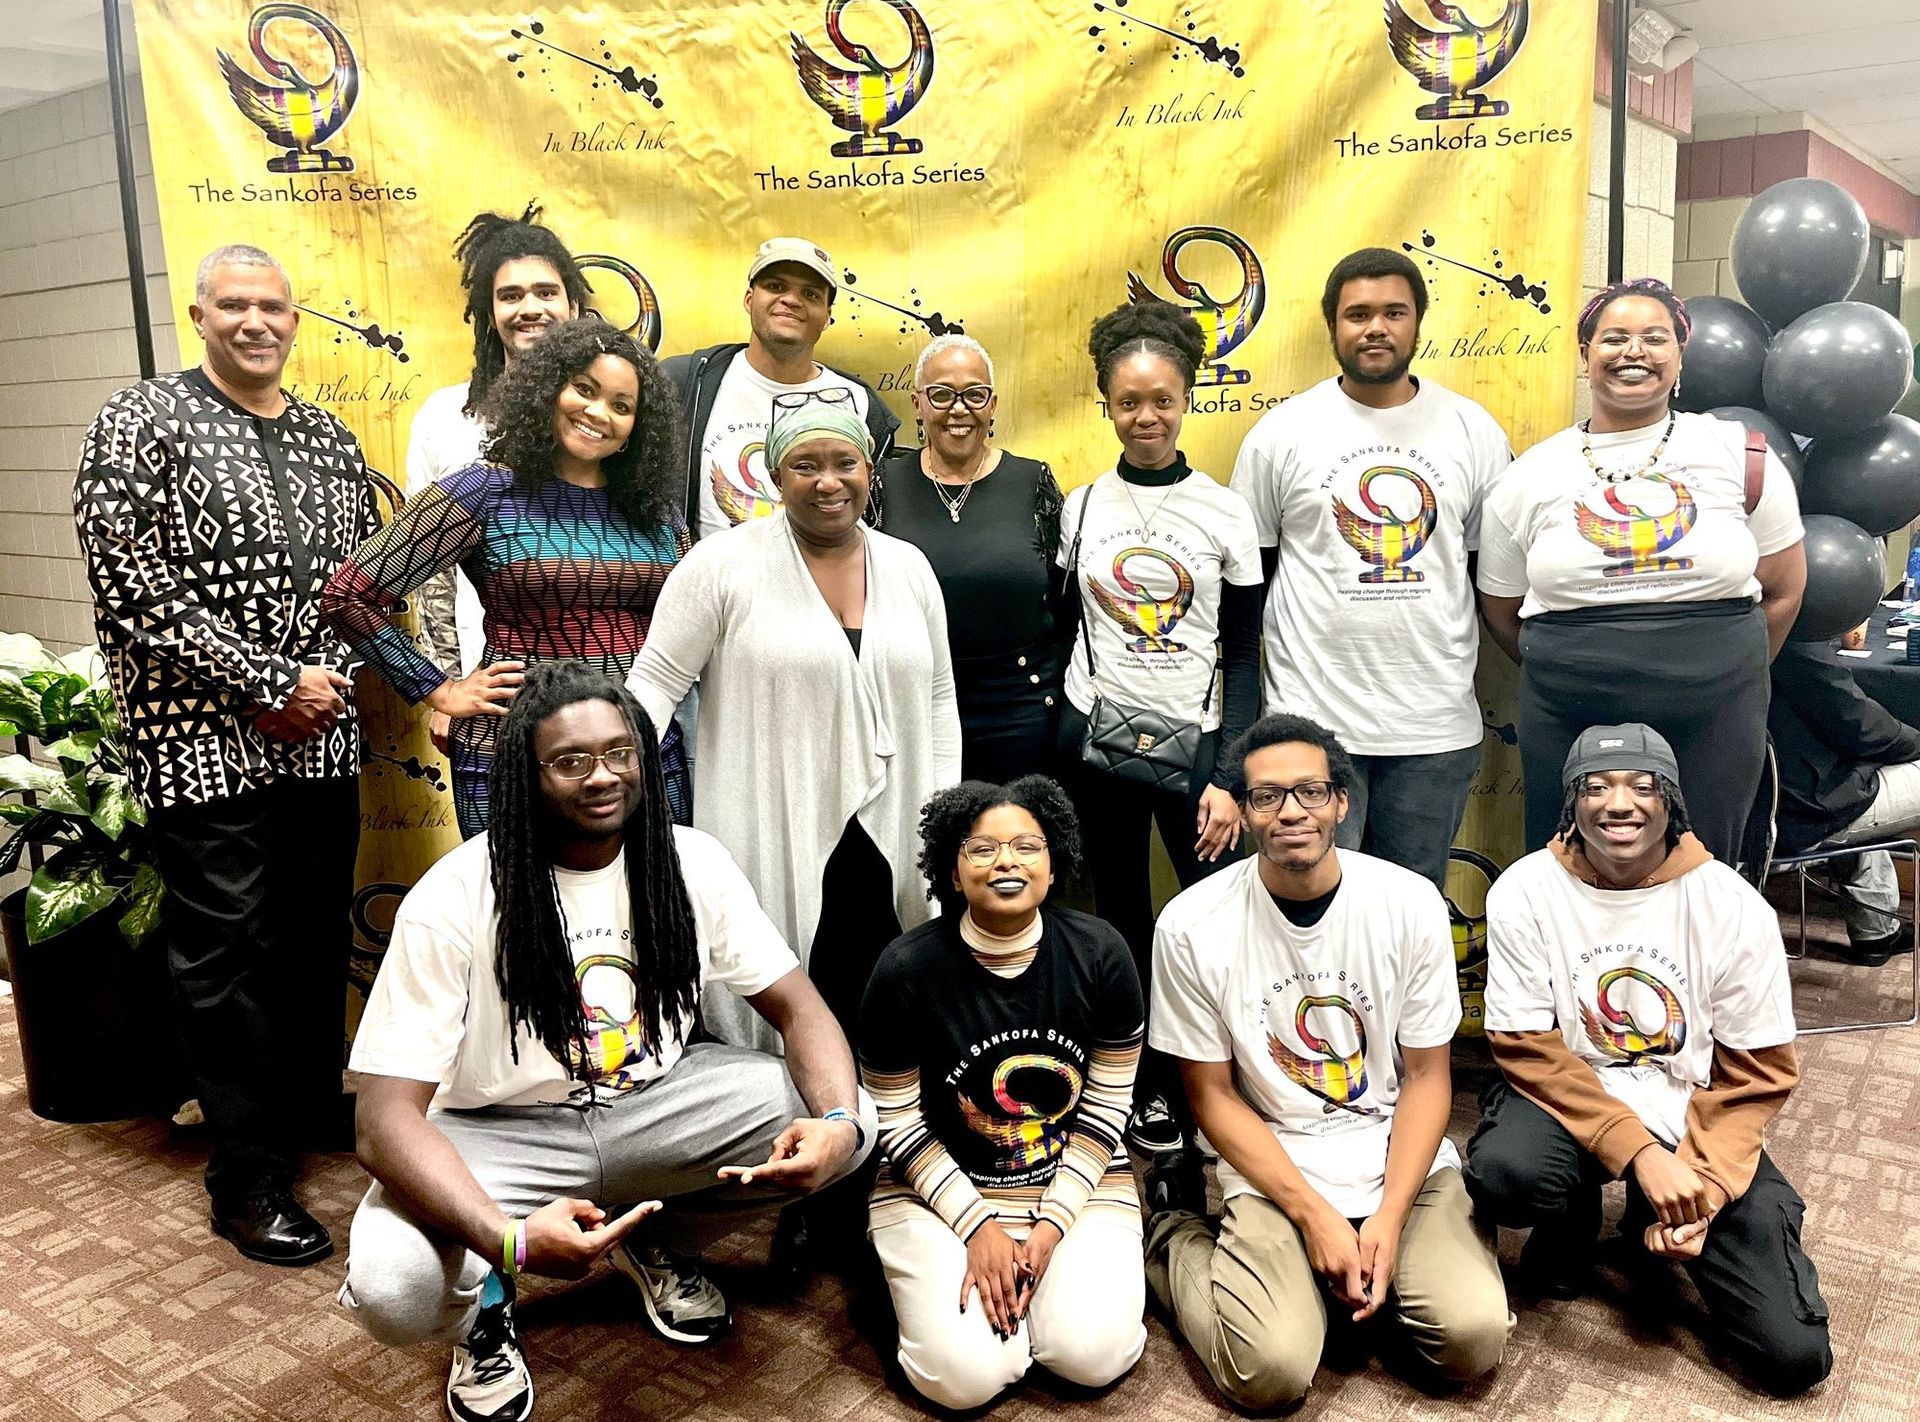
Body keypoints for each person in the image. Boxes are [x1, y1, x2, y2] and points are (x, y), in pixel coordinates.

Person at [339, 663, 875, 1422]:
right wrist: (510, 1243)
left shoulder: (689, 861)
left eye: (620, 753)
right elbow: (382, 1119)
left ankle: (649, 1232)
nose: (603, 777)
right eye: (570, 761)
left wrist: (836, 1125)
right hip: (500, 1132)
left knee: (850, 1122)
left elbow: (800, 1008)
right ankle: (485, 1305)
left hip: (653, 1104)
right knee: (394, 1289)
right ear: (526, 776)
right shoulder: (456, 894)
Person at [72, 243, 381, 1265]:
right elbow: (127, 582)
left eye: (274, 307)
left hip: (321, 736)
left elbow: (359, 588)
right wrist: (265, 683)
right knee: (225, 955)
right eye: (234, 306)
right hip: (200, 740)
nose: (257, 322)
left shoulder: (333, 442)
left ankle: (298, 1112)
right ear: (198, 315)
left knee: (303, 942)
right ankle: (247, 1177)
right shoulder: (140, 422)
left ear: (296, 322)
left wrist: (319, 681)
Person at [1144, 713, 1508, 1411]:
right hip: (1276, 1161)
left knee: (1471, 1340)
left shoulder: (1410, 904)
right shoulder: (1191, 925)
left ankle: (1352, 1285)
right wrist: (1314, 1215)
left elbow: (1430, 1077)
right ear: (1246, 814)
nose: (1291, 812)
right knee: (1269, 1374)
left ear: (1342, 801)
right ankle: (1171, 1234)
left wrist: (1390, 1218)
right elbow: (1212, 1096)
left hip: (1394, 1155)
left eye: (1310, 792)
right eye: (1267, 797)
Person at [1464, 723, 1832, 1398]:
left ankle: (1654, 1219)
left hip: (1690, 1108)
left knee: (1794, 1357)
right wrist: (1639, 1153)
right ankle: (1568, 1226)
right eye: (1595, 787)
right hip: (1569, 1099)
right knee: (1505, 1171)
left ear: (1672, 803)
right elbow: (1524, 1045)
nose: (1618, 803)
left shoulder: (1729, 905)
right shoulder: (1525, 889)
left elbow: (1758, 1074)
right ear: (1571, 804)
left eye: (1642, 785)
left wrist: (1707, 1188)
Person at [626, 392, 960, 1053]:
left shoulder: (910, 568)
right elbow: (656, 685)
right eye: (806, 465)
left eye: (846, 463)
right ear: (775, 477)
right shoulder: (721, 566)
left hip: (897, 827)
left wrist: (941, 812)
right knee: (790, 979)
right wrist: (614, 782)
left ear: (870, 471)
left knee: (887, 989)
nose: (829, 482)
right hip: (774, 820)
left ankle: (882, 1125)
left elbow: (940, 698)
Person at [1476, 277, 1808, 863]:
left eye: (1655, 338)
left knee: (1704, 869)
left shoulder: (1738, 452)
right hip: (1569, 705)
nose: (1634, 351)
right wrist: (1581, 660)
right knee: (1571, 865)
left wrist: (1727, 666)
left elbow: (1783, 591)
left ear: (1680, 355)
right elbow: (1501, 610)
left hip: (1716, 704)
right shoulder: (1529, 474)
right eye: (1614, 338)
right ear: (1585, 358)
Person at [322, 317, 690, 837]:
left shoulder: (656, 512)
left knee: (653, 902)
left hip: (638, 748)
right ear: (548, 389)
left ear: (638, 428)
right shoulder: (482, 491)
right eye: (583, 389)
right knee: (515, 909)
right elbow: (348, 596)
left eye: (621, 405)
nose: (597, 412)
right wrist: (441, 690)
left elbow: (684, 630)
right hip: (510, 747)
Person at [860, 777, 1146, 1409]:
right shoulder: (905, 969)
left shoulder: (1102, 954)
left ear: (1053, 864)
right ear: (952, 872)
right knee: (965, 1380)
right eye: (982, 849)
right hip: (937, 1189)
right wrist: (978, 1227)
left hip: (1077, 1183)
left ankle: (1041, 1300)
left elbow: (1105, 1111)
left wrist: (1049, 1228)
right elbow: (897, 1122)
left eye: (1026, 847)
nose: (1007, 862)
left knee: (1093, 1355)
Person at [1230, 248, 1509, 889]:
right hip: (1310, 727)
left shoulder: (1473, 431)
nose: (1375, 328)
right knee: (1307, 906)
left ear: (1418, 323)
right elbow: (1253, 583)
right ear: (1332, 325)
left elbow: (1485, 573)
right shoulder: (1281, 434)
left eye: (1393, 312)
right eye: (1358, 314)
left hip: (1433, 725)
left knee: (1411, 908)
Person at [1058, 301, 1264, 1154]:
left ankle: (1229, 1081)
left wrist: (1228, 774)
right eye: (1128, 402)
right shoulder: (1078, 508)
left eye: (1163, 400)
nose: (1147, 417)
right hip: (1098, 748)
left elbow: (1246, 654)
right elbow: (1066, 623)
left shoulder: (1226, 513)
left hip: (1200, 758)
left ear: (1189, 399)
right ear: (1106, 403)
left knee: (1218, 921)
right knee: (1121, 921)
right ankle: (1138, 1088)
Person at [407, 204, 589, 743]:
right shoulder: (444, 417)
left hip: (609, 686)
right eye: (510, 296)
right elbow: (425, 575)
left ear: (573, 304)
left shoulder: (615, 415)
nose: (529, 308)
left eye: (545, 291)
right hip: (492, 691)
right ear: (488, 313)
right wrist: (443, 687)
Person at [880, 335, 1069, 782]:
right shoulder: (883, 484)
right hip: (912, 707)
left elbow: (1067, 604)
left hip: (1019, 709)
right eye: (942, 394)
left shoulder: (1032, 481)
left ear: (993, 404)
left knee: (1010, 845)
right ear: (918, 404)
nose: (959, 408)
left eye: (974, 394)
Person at [662, 236, 898, 543]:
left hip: (822, 586)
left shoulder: (859, 403)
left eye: (811, 294)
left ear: (828, 317)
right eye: (775, 286)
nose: (791, 300)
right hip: (712, 586)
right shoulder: (689, 381)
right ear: (749, 299)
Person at [1769, 637, 1920, 963]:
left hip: (1742, 814)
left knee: (1861, 774)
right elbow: (1860, 724)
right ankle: (1876, 932)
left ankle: (1877, 931)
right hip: (1798, 815)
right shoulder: (1790, 640)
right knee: (1867, 773)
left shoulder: (1713, 634)